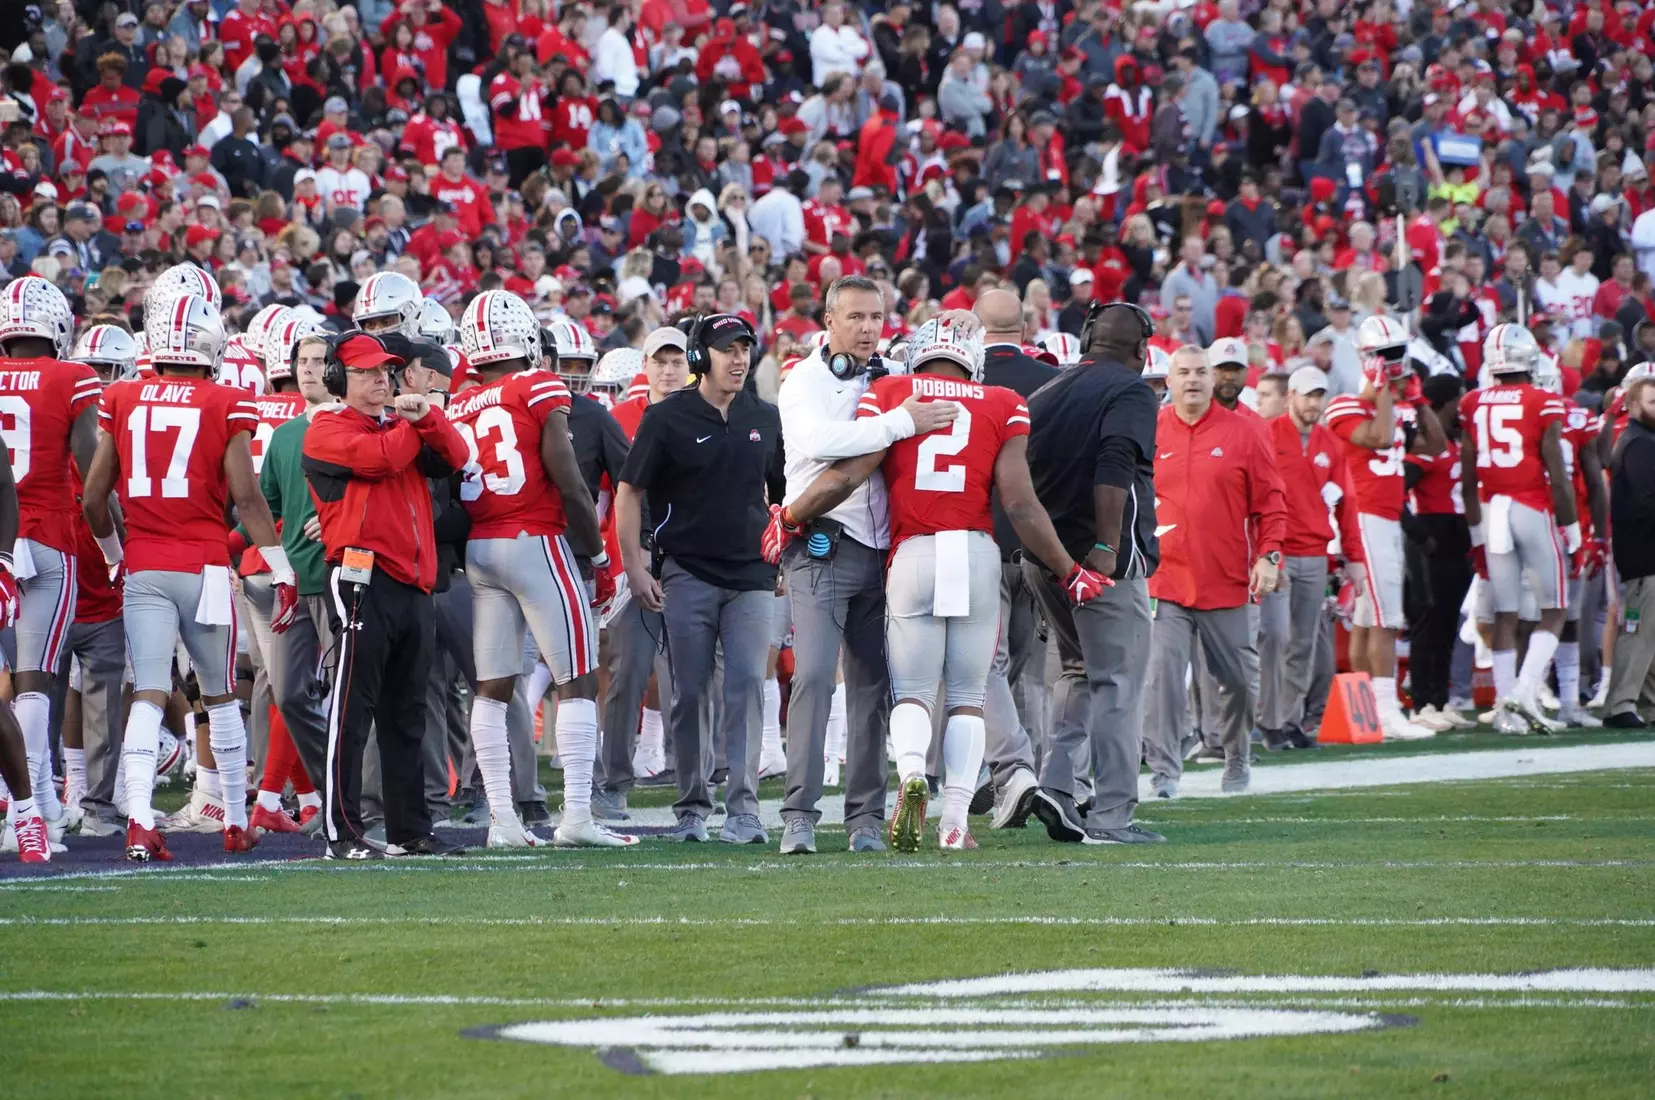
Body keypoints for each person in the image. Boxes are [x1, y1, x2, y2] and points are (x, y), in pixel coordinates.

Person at [776, 316, 1107, 849]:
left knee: (910, 693)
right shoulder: (1001, 401)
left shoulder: (889, 390)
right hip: (976, 552)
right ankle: (955, 819)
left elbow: (849, 473)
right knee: (969, 697)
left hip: (913, 552)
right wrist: (1070, 569)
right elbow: (1020, 503)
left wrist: (791, 516)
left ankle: (910, 774)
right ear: (970, 361)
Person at [83, 294, 296, 862]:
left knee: (150, 690)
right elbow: (247, 498)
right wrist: (281, 568)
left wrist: (112, 552)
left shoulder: (122, 396)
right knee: (221, 691)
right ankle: (231, 819)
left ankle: (139, 821)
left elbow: (93, 496)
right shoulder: (226, 400)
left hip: (145, 562)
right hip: (201, 563)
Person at [772, 275, 960, 855]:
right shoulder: (802, 380)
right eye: (854, 317)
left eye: (875, 317)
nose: (867, 328)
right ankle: (799, 815)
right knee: (813, 678)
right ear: (828, 320)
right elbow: (821, 440)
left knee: (874, 686)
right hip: (824, 543)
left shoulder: (894, 375)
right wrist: (902, 421)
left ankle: (865, 820)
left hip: (887, 549)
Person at [448, 291, 630, 850]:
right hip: (535, 539)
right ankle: (577, 816)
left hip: (480, 547)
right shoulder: (537, 386)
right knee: (576, 676)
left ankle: (502, 821)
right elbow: (571, 482)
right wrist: (597, 556)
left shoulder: (459, 403)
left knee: (492, 686)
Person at [301, 330, 472, 861]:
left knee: (407, 714)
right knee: (353, 710)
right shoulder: (325, 428)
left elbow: (457, 454)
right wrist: (417, 422)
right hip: (361, 579)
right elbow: (379, 460)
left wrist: (426, 418)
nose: (380, 380)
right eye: (366, 372)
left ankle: (409, 828)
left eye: (385, 371)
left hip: (412, 582)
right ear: (337, 379)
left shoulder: (400, 426)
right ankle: (341, 831)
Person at [615, 314, 785, 845]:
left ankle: (744, 809)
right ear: (698, 358)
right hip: (686, 571)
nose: (738, 358)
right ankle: (692, 804)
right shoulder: (666, 417)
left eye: (745, 348)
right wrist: (636, 566)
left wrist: (784, 552)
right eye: (726, 348)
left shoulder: (766, 416)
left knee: (746, 689)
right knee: (688, 693)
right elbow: (629, 491)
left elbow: (781, 493)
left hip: (752, 573)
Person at [1022, 302, 1164, 844]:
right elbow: (1114, 464)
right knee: (1119, 685)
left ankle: (1057, 787)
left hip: (1044, 559)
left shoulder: (1048, 391)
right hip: (1100, 563)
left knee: (1079, 673)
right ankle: (1111, 816)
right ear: (1140, 349)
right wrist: (1106, 543)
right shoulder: (1129, 390)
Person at [1143, 346, 1287, 796]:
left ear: (1212, 379)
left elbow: (1272, 503)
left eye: (1200, 372)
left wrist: (1269, 555)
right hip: (1163, 580)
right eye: (1183, 372)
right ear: (1168, 380)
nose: (1192, 380)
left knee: (1239, 681)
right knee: (1161, 679)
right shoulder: (1149, 430)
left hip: (1225, 579)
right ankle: (1165, 771)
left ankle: (1237, 755)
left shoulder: (1246, 431)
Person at [0, 276, 100, 843]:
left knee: (6, 683)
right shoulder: (72, 376)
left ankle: (26, 810)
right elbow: (90, 467)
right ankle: (32, 809)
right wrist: (114, 542)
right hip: (48, 534)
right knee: (37, 679)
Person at [1324, 316, 1445, 741]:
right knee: (1385, 617)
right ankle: (1386, 709)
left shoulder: (1398, 406)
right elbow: (1376, 437)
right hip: (1365, 516)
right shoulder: (1345, 405)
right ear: (1366, 357)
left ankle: (1368, 712)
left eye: (1398, 355)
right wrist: (1381, 392)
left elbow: (1436, 445)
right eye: (1386, 355)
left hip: (1389, 516)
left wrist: (1420, 398)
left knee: (1366, 618)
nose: (1394, 364)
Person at [1460, 324, 1580, 735]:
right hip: (1530, 505)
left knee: (1505, 613)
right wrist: (1574, 529)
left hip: (1491, 509)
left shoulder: (1473, 402)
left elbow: (1466, 477)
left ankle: (1506, 710)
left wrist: (1475, 535)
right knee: (1556, 607)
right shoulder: (1543, 401)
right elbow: (1558, 475)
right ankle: (1525, 690)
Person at [974, 288, 1058, 826]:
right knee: (1027, 674)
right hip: (1039, 543)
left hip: (980, 539)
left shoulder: (962, 382)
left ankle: (1005, 774)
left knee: (985, 668)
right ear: (1024, 332)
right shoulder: (1053, 381)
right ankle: (1038, 778)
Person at [597, 328, 688, 814]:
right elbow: (603, 496)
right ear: (646, 367)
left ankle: (699, 780)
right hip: (634, 560)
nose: (669, 370)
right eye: (661, 361)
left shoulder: (709, 412)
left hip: (692, 560)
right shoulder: (619, 418)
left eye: (677, 362)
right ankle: (613, 780)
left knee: (697, 676)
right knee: (628, 671)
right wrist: (611, 561)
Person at [1259, 365, 1340, 749]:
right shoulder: (1268, 434)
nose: (1314, 403)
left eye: (1318, 395)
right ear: (1291, 395)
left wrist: (1350, 556)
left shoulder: (1330, 442)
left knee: (1303, 643)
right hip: (1279, 549)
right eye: (1307, 395)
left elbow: (1346, 501)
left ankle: (1288, 720)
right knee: (1275, 637)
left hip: (1315, 551)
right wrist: (1266, 551)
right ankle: (1269, 718)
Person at [1403, 373, 1476, 733]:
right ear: (1447, 403)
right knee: (1428, 622)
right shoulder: (1423, 449)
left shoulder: (1450, 443)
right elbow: (1394, 492)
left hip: (1455, 537)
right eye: (1459, 399)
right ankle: (1421, 702)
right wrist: (1419, 535)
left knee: (1448, 622)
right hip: (1432, 536)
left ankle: (1440, 698)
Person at [1604, 369, 1655, 727]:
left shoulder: (1642, 439)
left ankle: (1646, 702)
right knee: (1637, 629)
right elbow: (1647, 497)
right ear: (1634, 405)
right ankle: (1620, 704)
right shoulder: (1639, 443)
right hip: (1643, 552)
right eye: (1652, 401)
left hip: (1644, 550)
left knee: (1648, 631)